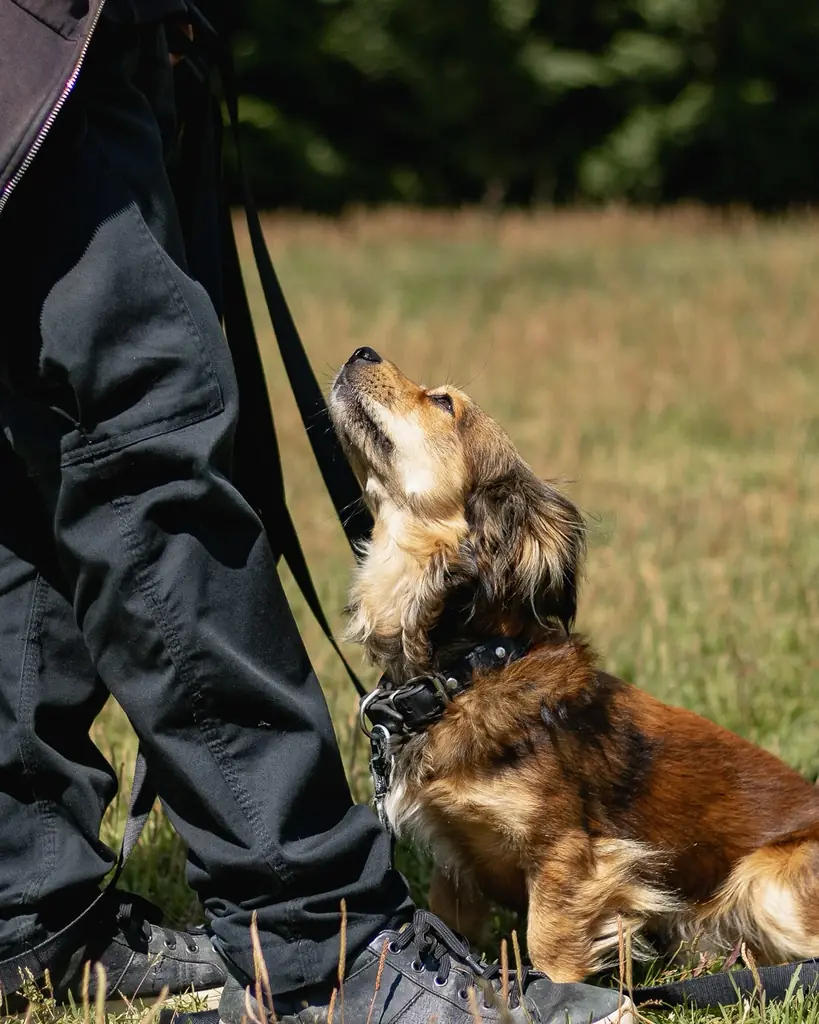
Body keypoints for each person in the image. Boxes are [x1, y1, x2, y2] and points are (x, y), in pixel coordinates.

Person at [0, 2, 631, 1021]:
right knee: (141, 427)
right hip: (33, 47)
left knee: (37, 437)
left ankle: (28, 911)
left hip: (82, 41)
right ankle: (319, 942)